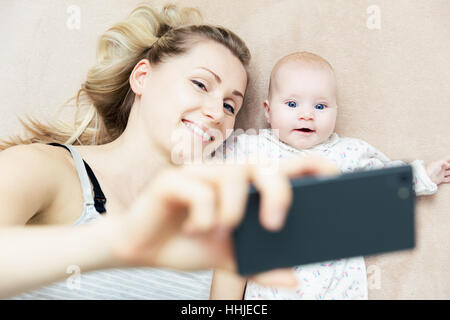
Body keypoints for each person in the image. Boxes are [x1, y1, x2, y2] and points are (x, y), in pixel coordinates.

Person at [0, 6, 339, 299]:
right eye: (200, 84)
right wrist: (118, 241)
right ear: (143, 77)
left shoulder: (221, 222)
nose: (216, 113)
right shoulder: (43, 168)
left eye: (229, 105)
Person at [210, 51, 450, 300]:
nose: (307, 115)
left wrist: (425, 175)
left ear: (335, 111)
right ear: (268, 112)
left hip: (336, 281)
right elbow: (209, 156)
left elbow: (388, 180)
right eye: (292, 104)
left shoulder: (349, 153)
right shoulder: (251, 147)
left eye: (320, 106)